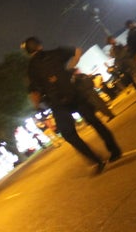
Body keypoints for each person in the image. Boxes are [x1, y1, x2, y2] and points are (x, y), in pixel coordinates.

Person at [22, 37, 121, 173]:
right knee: (94, 121)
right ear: (39, 46)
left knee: (68, 133)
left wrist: (36, 105)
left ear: (28, 52)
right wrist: (69, 68)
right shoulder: (56, 53)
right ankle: (114, 150)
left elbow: (34, 92)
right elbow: (77, 51)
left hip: (57, 102)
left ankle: (95, 160)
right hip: (73, 93)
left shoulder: (31, 69)